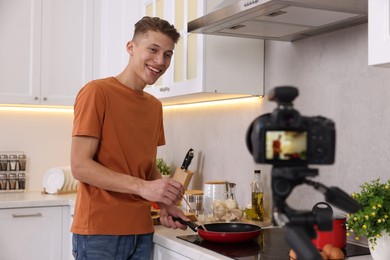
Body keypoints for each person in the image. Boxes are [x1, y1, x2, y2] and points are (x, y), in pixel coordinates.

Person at [70, 16, 189, 259]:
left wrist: (165, 202)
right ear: (131, 48)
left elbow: (146, 167)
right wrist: (144, 188)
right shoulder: (97, 92)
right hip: (99, 234)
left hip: (142, 232)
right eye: (153, 50)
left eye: (167, 54)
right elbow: (80, 166)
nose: (160, 61)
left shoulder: (154, 106)